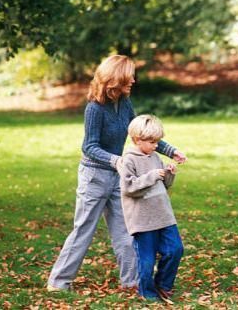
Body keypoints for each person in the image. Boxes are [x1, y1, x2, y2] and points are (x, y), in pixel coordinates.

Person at [47, 55, 187, 292]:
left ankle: (132, 281)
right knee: (84, 230)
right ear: (115, 78)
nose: (133, 79)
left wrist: (171, 151)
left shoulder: (124, 102)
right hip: (94, 177)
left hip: (118, 176)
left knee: (126, 230)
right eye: (129, 75)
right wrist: (116, 160)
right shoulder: (94, 108)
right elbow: (89, 147)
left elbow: (140, 133)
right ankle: (59, 282)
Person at [118, 115, 182, 303]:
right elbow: (129, 188)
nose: (156, 146)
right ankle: (148, 292)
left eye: (157, 142)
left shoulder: (154, 157)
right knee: (146, 260)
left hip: (164, 216)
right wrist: (152, 175)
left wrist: (169, 174)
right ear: (137, 140)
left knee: (175, 249)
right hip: (142, 220)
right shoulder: (128, 160)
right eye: (152, 142)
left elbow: (164, 184)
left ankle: (163, 285)